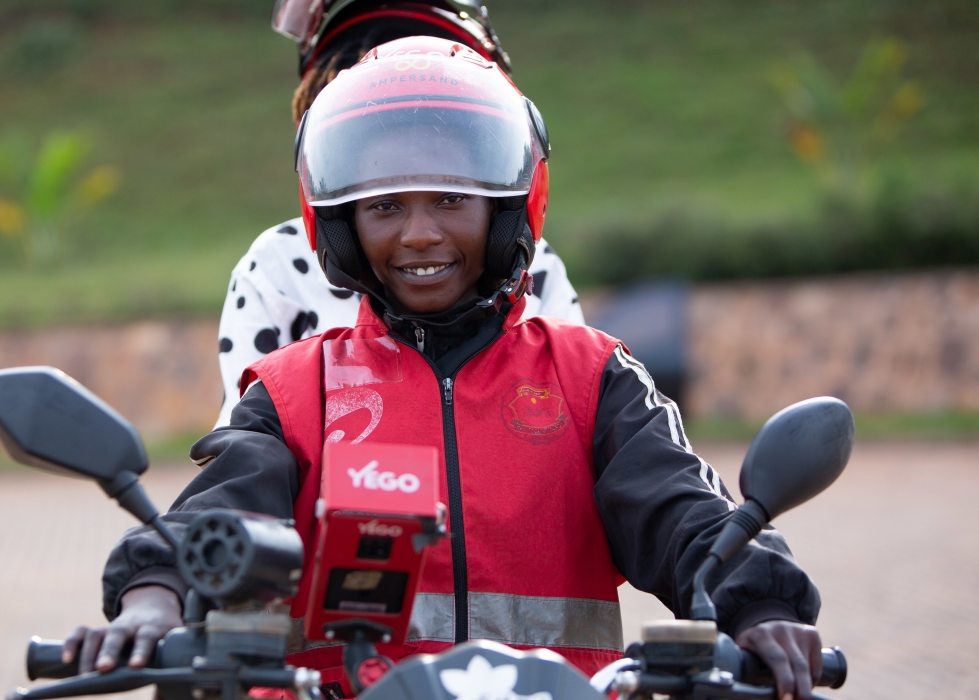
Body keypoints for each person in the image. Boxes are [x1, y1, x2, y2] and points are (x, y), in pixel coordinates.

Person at [73, 37, 826, 700]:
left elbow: (680, 510)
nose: (419, 234)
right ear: (340, 226)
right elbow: (222, 511)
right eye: (384, 207)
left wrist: (758, 606)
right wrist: (155, 595)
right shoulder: (295, 391)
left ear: (508, 210)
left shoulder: (592, 377)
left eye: (450, 199)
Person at [213, 0, 583, 428]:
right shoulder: (278, 267)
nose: (420, 234)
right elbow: (243, 433)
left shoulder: (538, 269)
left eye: (450, 197)